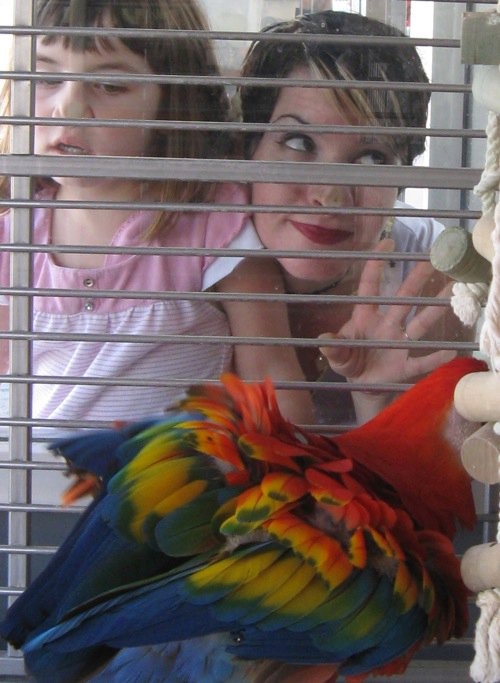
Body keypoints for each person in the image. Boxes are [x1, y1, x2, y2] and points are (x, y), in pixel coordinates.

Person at [0, 0, 313, 429]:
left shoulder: (213, 225)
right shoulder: (12, 234)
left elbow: (271, 369)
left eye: (110, 85)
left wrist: (295, 483)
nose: (68, 108)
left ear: (171, 105)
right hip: (32, 485)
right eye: (47, 76)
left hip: (174, 490)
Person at [238, 9, 470, 424]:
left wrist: (377, 405)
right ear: (248, 149)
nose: (329, 196)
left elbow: (431, 483)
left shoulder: (432, 278)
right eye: (298, 141)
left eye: (371, 157)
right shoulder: (184, 259)